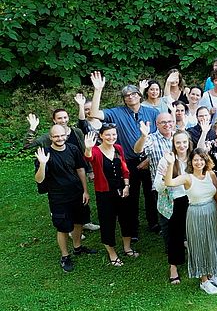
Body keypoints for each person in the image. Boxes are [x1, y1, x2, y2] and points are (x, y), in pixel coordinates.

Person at [89, 71, 161, 235]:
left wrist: (149, 159)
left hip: (150, 160)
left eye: (133, 93)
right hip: (128, 161)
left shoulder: (152, 112)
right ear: (123, 99)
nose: (130, 97)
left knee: (151, 194)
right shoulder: (116, 112)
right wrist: (98, 90)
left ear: (139, 95)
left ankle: (153, 223)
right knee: (131, 196)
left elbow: (156, 137)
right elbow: (94, 114)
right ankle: (132, 229)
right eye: (126, 95)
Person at [162, 150, 217, 294]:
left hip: (212, 211)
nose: (199, 163)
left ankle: (212, 275)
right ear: (191, 162)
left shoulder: (211, 174)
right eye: (195, 160)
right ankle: (204, 280)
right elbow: (169, 182)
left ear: (206, 161)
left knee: (213, 242)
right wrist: (170, 164)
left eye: (201, 160)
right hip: (196, 214)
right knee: (200, 245)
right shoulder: (187, 178)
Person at [34, 124, 96, 272]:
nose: (59, 138)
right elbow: (39, 179)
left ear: (66, 135)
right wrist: (42, 164)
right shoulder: (45, 153)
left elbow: (80, 169)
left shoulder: (73, 149)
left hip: (77, 193)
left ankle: (78, 247)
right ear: (50, 138)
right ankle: (65, 256)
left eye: (62, 135)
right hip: (58, 197)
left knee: (79, 221)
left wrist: (85, 191)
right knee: (63, 227)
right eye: (56, 136)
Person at [152, 130, 192, 284]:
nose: (182, 145)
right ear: (173, 144)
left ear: (188, 142)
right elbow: (158, 187)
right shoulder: (167, 160)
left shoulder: (193, 158)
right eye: (178, 142)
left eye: (184, 142)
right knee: (174, 236)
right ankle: (173, 266)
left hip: (191, 200)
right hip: (173, 202)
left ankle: (194, 260)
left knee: (192, 232)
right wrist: (164, 178)